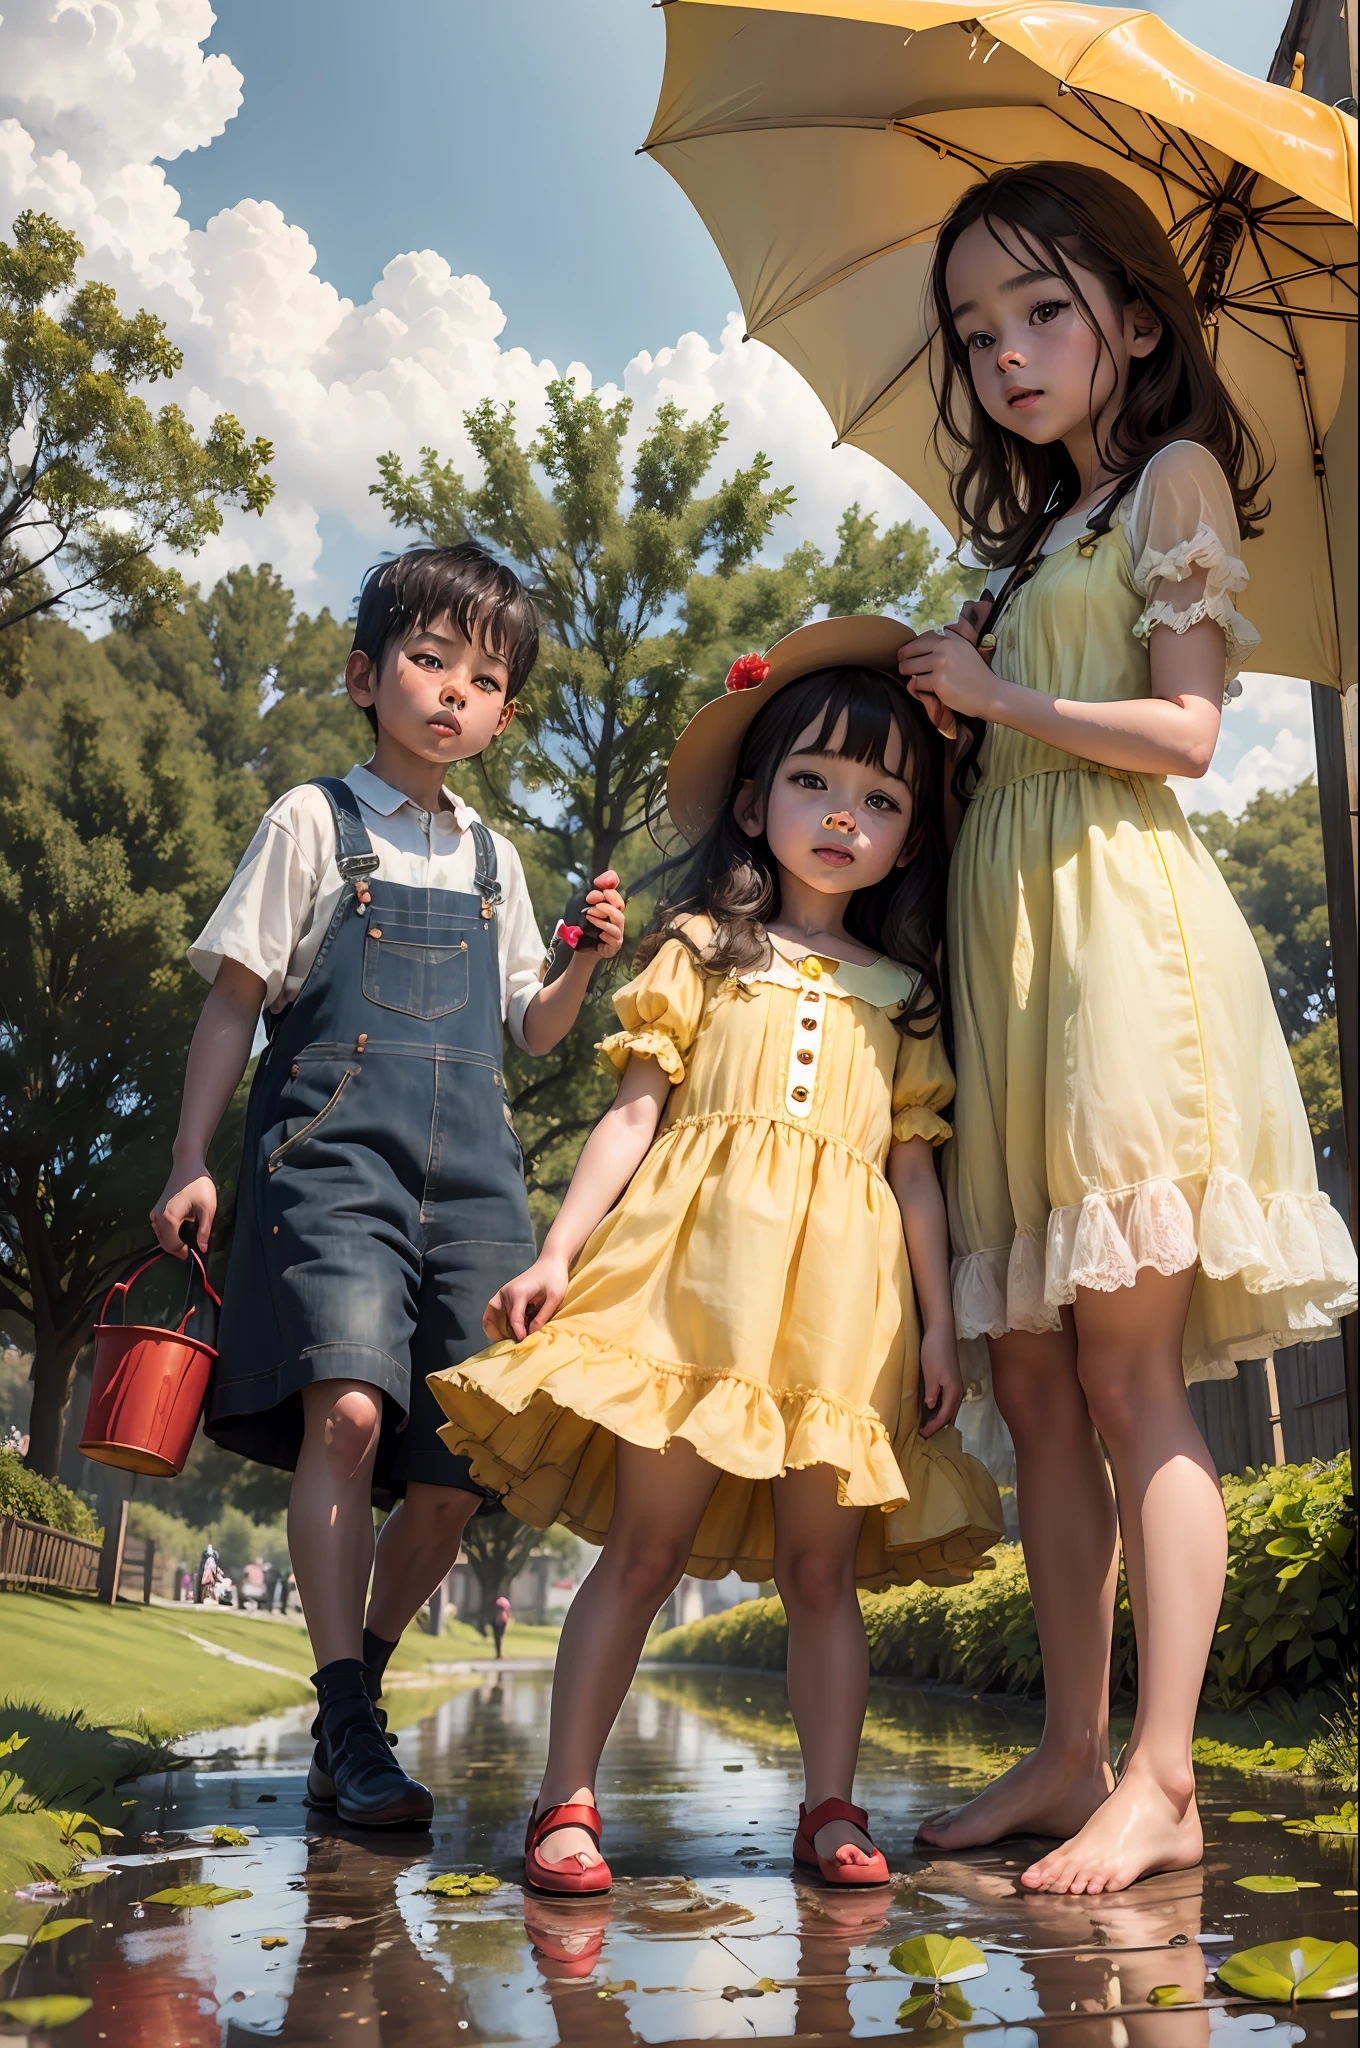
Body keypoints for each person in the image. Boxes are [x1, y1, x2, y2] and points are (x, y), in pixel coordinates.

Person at [896, 163, 1357, 1895]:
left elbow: (1185, 733)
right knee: (1029, 1374)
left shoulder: (1171, 477)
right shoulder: (1031, 538)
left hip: (1122, 950)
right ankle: (1073, 1749)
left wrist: (1009, 693)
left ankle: (1162, 1772)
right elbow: (1018, 751)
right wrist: (955, 700)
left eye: (1040, 311)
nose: (1006, 355)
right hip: (1017, 955)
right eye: (977, 330)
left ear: (1137, 321)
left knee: (1123, 1367)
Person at [429, 621, 1003, 1894]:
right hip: (687, 1294)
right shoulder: (697, 947)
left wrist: (943, 1328)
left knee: (820, 1569)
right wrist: (557, 1251)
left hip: (842, 1318)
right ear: (753, 800)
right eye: (812, 780)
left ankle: (831, 1806)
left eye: (880, 797)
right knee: (639, 1548)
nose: (842, 814)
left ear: (910, 836)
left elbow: (915, 1173)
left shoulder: (906, 993)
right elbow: (631, 1113)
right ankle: (565, 1800)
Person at [150, 543, 626, 1829]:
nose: (453, 692)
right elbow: (232, 1001)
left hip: (476, 1182)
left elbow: (532, 1030)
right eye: (428, 660)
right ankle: (352, 1713)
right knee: (348, 1416)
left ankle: (347, 1691)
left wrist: (580, 960)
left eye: (483, 676)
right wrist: (192, 1159)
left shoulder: (498, 862)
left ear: (503, 710)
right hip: (331, 1159)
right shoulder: (313, 821)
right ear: (367, 674)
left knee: (455, 1472)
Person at [492, 1592, 511, 1660]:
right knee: (498, 1638)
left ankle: (498, 1653)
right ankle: (498, 1653)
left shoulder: (501, 1609)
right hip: (500, 1624)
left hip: (500, 1624)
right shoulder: (503, 1609)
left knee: (498, 1638)